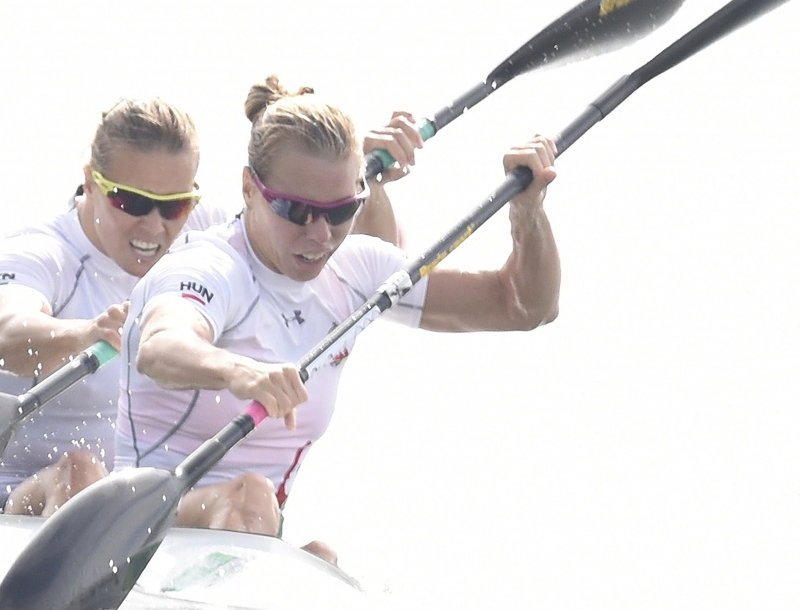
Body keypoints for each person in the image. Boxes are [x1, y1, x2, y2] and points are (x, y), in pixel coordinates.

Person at [115, 76, 560, 560]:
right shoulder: (212, 267)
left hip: (247, 531)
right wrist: (241, 372)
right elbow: (160, 347)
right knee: (252, 498)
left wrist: (528, 210)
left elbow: (523, 304)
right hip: (137, 527)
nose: (321, 235)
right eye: (297, 211)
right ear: (249, 189)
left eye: (342, 211)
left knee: (322, 557)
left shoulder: (359, 269)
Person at [0, 94, 423, 515]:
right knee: (81, 471)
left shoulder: (205, 237)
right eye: (131, 202)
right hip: (23, 497)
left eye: (174, 206)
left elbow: (346, 266)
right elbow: (5, 337)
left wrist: (361, 183)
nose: (154, 227)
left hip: (135, 507)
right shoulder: (40, 255)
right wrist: (87, 334)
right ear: (90, 181)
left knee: (272, 517)